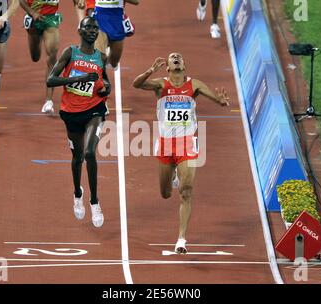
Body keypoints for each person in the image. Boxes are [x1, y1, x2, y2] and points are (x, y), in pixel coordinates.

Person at [132, 53, 230, 253]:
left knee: (186, 191)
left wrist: (220, 101)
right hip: (166, 144)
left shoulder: (195, 85)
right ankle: (174, 175)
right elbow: (137, 84)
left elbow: (217, 100)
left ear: (184, 65)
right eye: (172, 57)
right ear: (167, 67)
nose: (176, 57)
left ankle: (181, 239)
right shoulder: (160, 84)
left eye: (180, 57)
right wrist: (151, 70)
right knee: (166, 194)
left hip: (186, 143)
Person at [47, 16, 111, 228]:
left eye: (95, 28)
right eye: (88, 27)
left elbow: (106, 82)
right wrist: (78, 79)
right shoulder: (70, 52)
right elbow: (51, 79)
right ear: (80, 30)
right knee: (77, 158)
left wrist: (106, 89)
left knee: (90, 153)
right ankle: (77, 193)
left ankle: (94, 201)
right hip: (71, 112)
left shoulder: (101, 57)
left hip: (94, 109)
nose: (93, 30)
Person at [19, 0, 80, 115]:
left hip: (51, 19)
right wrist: (32, 12)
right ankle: (37, 36)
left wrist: (78, 2)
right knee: (35, 57)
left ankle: (48, 101)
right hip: (34, 19)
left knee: (52, 57)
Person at [93, 0, 139, 69]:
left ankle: (107, 61)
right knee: (98, 57)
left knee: (114, 62)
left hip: (117, 20)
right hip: (100, 17)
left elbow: (136, 2)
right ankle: (98, 74)